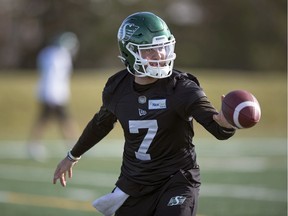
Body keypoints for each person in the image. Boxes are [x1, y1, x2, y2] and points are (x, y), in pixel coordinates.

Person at [53, 12, 236, 216]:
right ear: (130, 53)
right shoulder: (117, 88)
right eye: (150, 50)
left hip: (177, 180)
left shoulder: (182, 88)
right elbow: (101, 123)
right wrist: (73, 155)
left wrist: (226, 122)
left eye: (162, 47)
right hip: (135, 184)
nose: (159, 55)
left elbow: (219, 129)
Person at [27, 32, 80, 161]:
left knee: (63, 119)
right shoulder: (58, 55)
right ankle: (34, 145)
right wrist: (52, 95)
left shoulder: (49, 53)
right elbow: (52, 75)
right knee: (45, 119)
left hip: (54, 93)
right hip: (53, 93)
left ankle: (74, 144)